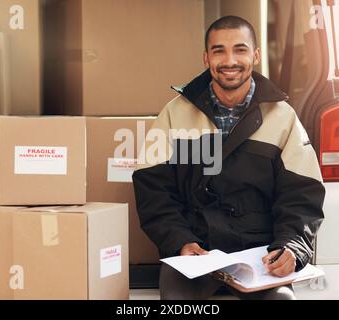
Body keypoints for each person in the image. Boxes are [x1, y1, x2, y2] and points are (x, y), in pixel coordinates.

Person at [132, 16, 325, 300]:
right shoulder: (174, 114)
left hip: (261, 256)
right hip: (195, 255)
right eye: (219, 50)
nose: (230, 60)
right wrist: (180, 241)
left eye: (240, 49)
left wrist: (292, 246)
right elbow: (153, 191)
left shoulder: (283, 117)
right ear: (206, 57)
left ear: (256, 55)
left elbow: (302, 195)